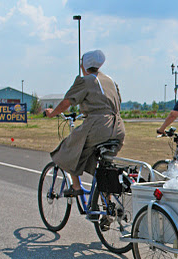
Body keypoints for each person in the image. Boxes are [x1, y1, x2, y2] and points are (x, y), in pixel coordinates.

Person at [45, 49, 125, 197]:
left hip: (99, 126)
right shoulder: (111, 81)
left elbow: (66, 103)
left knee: (67, 149)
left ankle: (76, 187)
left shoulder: (85, 81)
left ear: (84, 65)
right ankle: (106, 202)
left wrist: (52, 113)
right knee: (102, 166)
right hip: (118, 127)